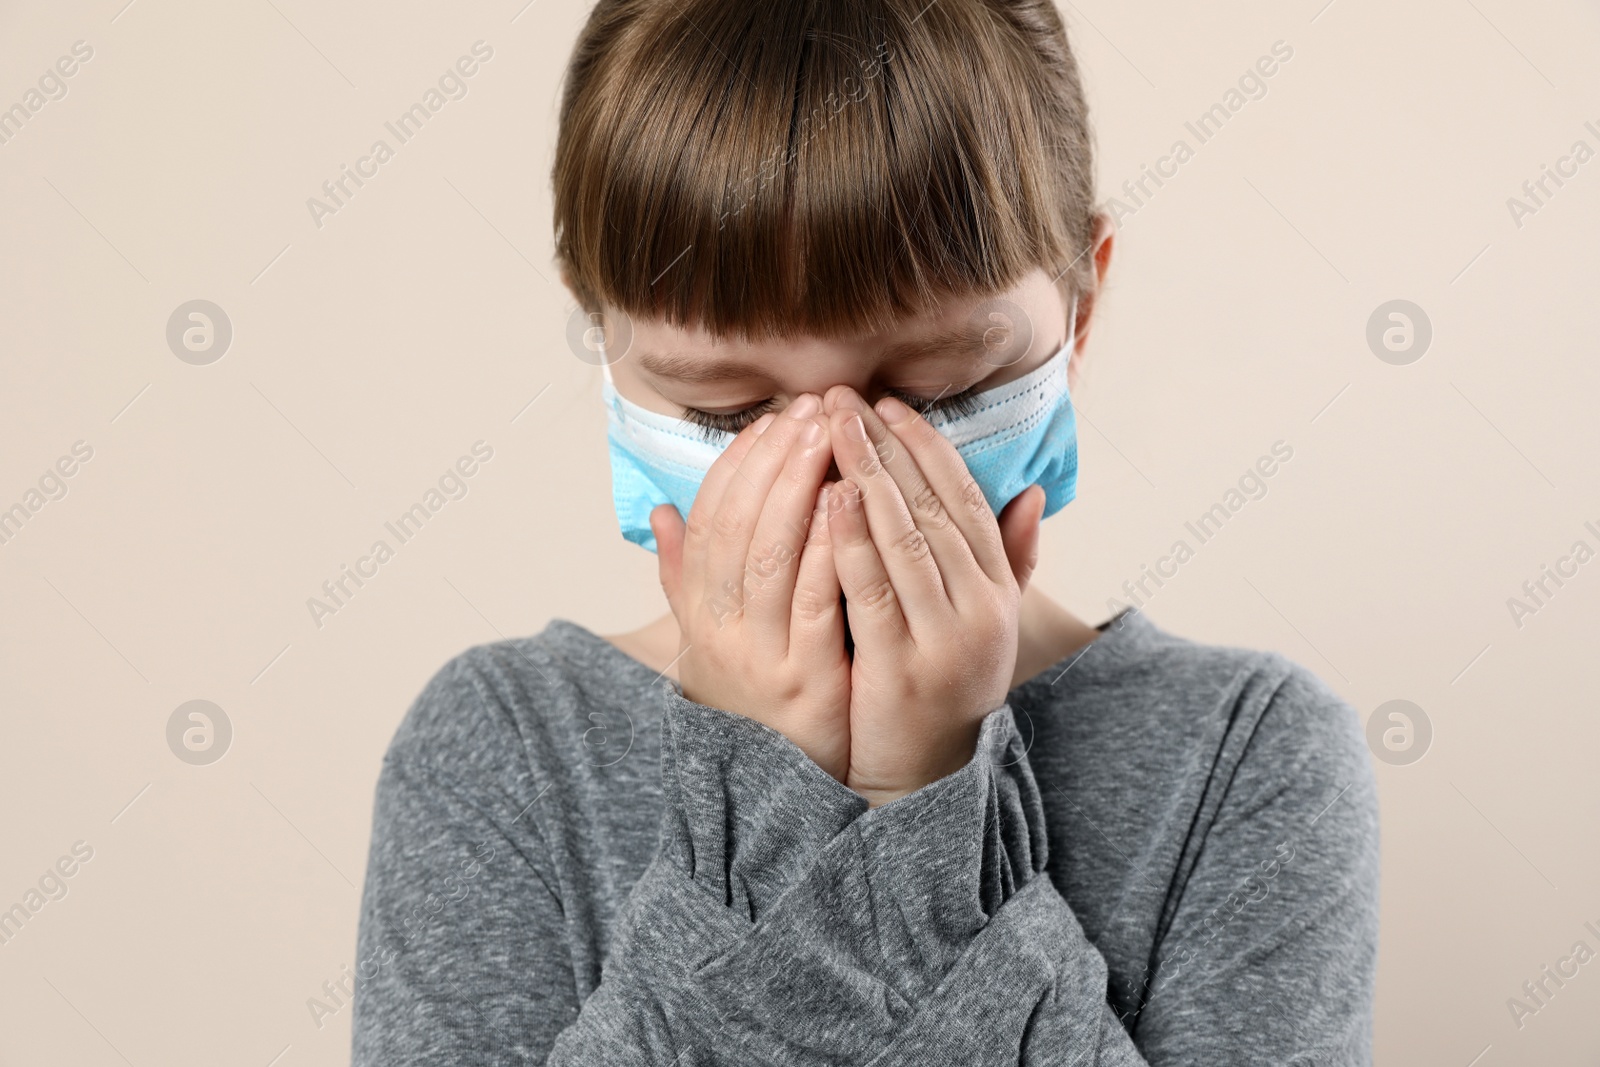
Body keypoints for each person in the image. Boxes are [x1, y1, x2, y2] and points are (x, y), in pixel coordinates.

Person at [353, 0, 1380, 1062]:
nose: (841, 475)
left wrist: (923, 798)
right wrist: (765, 795)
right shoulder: (504, 746)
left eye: (936, 389)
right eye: (726, 411)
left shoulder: (1247, 756)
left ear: (1078, 307)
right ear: (601, 332)